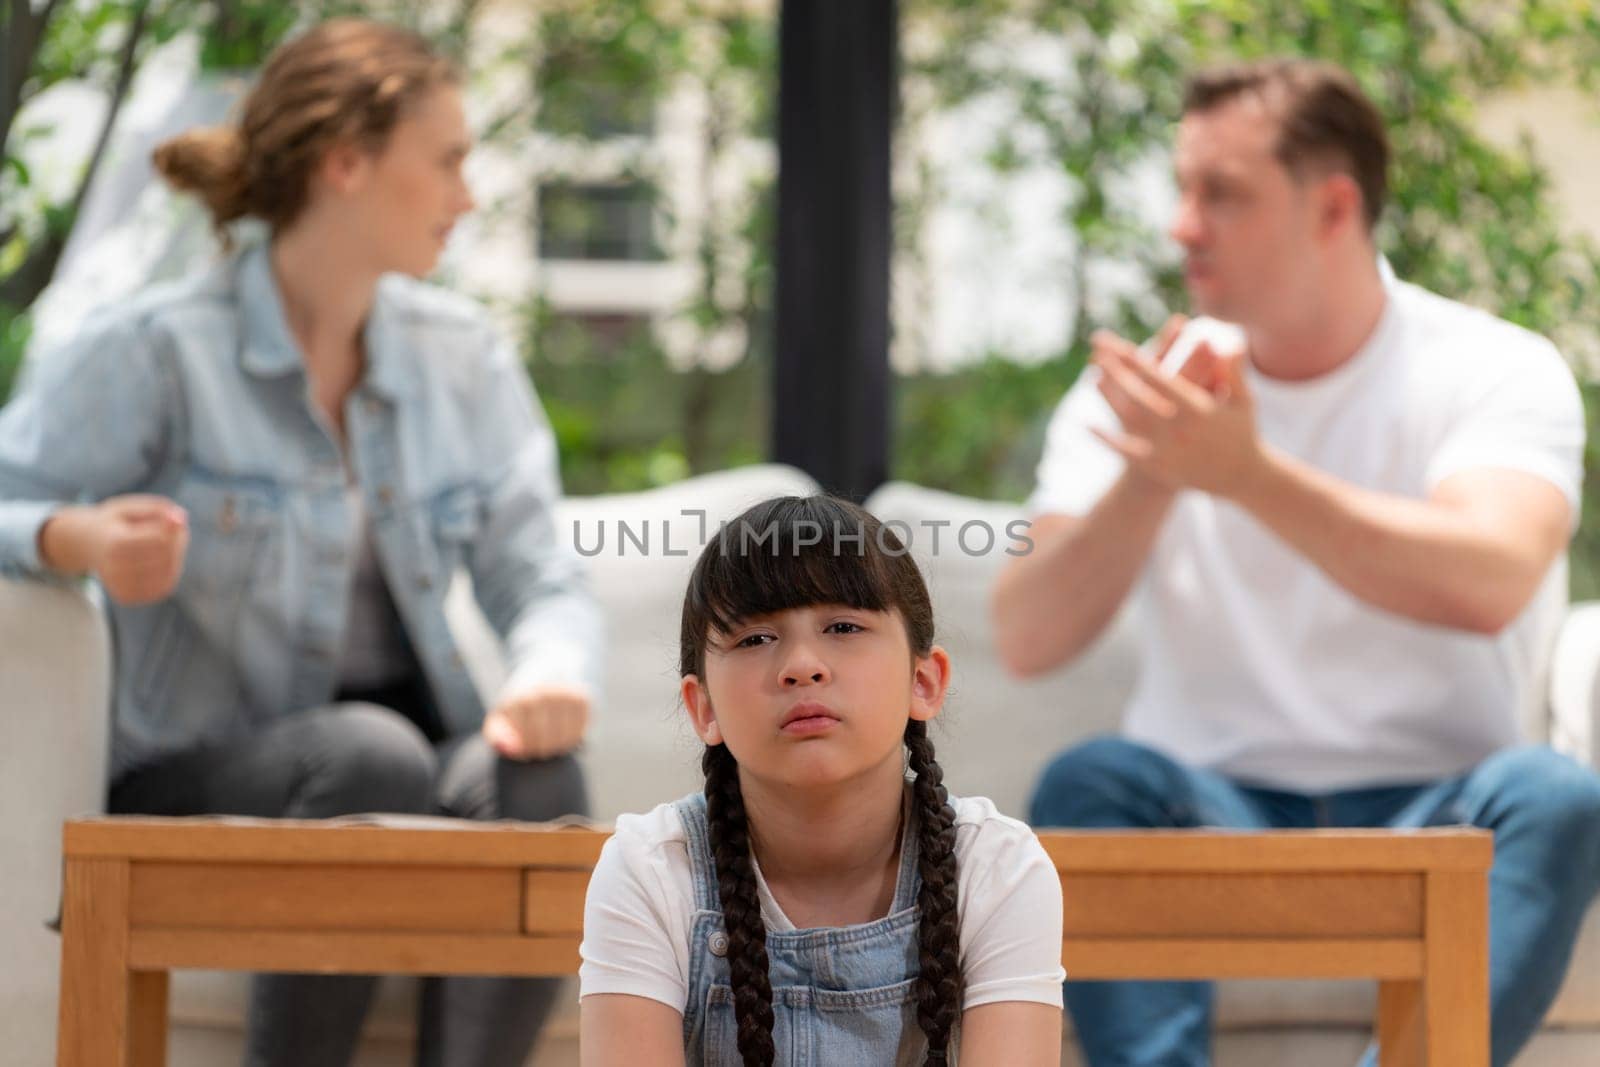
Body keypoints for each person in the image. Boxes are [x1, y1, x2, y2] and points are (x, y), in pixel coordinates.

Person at [0, 19, 600, 1067]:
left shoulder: (462, 359)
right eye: (449, 160)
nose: (469, 195)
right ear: (346, 162)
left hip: (409, 753)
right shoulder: (155, 350)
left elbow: (537, 570)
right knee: (370, 747)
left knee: (535, 781)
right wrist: (76, 534)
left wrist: (549, 668)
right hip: (204, 767)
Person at [991, 57, 1600, 1067]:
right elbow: (1025, 632)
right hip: (1206, 801)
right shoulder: (1144, 397)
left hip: (1439, 799)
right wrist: (1155, 470)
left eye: (1219, 193)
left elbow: (1491, 578)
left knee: (1558, 794)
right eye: (1181, 190)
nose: (1182, 225)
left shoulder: (1493, 366)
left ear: (1331, 208)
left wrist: (1245, 474)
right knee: (1090, 779)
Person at [578, 495, 1065, 1065]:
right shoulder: (651, 869)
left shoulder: (997, 867)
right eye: (755, 639)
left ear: (924, 681)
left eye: (842, 626)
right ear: (702, 706)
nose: (802, 664)